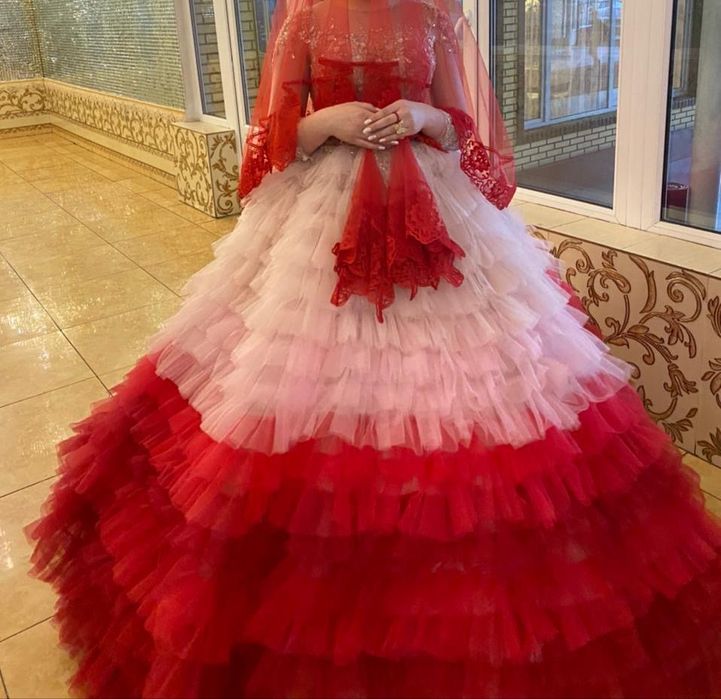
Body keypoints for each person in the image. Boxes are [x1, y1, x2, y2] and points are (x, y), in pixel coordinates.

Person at [27, 0, 721, 696]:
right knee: (296, 387)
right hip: (320, 218)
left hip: (438, 216)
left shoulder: (436, 13)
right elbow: (269, 139)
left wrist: (423, 117)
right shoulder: (304, 12)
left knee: (474, 393)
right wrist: (324, 123)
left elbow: (462, 126)